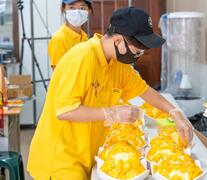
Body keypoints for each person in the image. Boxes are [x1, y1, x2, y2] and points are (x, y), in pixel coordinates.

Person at [27, 7, 193, 180]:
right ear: (118, 40)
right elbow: (64, 111)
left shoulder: (117, 64)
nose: (138, 56)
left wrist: (175, 113)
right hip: (61, 159)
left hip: (86, 153)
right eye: (137, 51)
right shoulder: (81, 58)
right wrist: (112, 113)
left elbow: (144, 90)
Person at [48, 0, 93, 70]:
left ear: (89, 10)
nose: (77, 12)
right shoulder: (59, 39)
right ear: (63, 9)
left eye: (82, 8)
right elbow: (59, 75)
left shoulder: (84, 37)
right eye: (72, 7)